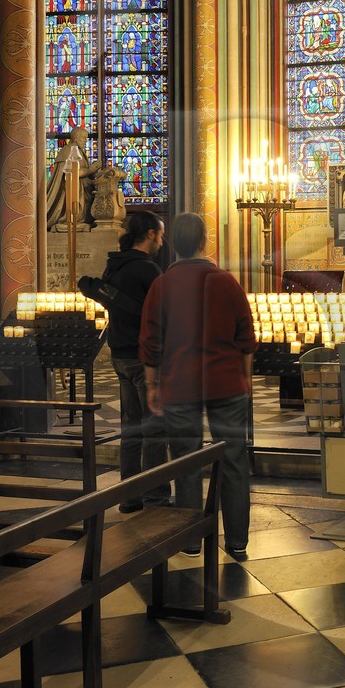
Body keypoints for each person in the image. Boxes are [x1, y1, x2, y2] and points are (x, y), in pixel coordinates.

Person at [140, 213, 257, 556]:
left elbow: (151, 342)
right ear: (205, 240)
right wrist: (244, 378)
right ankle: (237, 542)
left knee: (186, 461)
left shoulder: (162, 285)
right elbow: (246, 337)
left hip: (180, 384)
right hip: (226, 382)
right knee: (234, 461)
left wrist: (152, 384)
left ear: (173, 243)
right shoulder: (226, 281)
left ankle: (191, 539)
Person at [86, 209, 167, 512]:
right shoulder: (147, 270)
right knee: (155, 428)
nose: (161, 241)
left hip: (119, 354)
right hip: (143, 358)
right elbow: (161, 318)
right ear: (149, 234)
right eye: (160, 234)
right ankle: (156, 496)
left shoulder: (113, 267)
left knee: (131, 428)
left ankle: (130, 496)